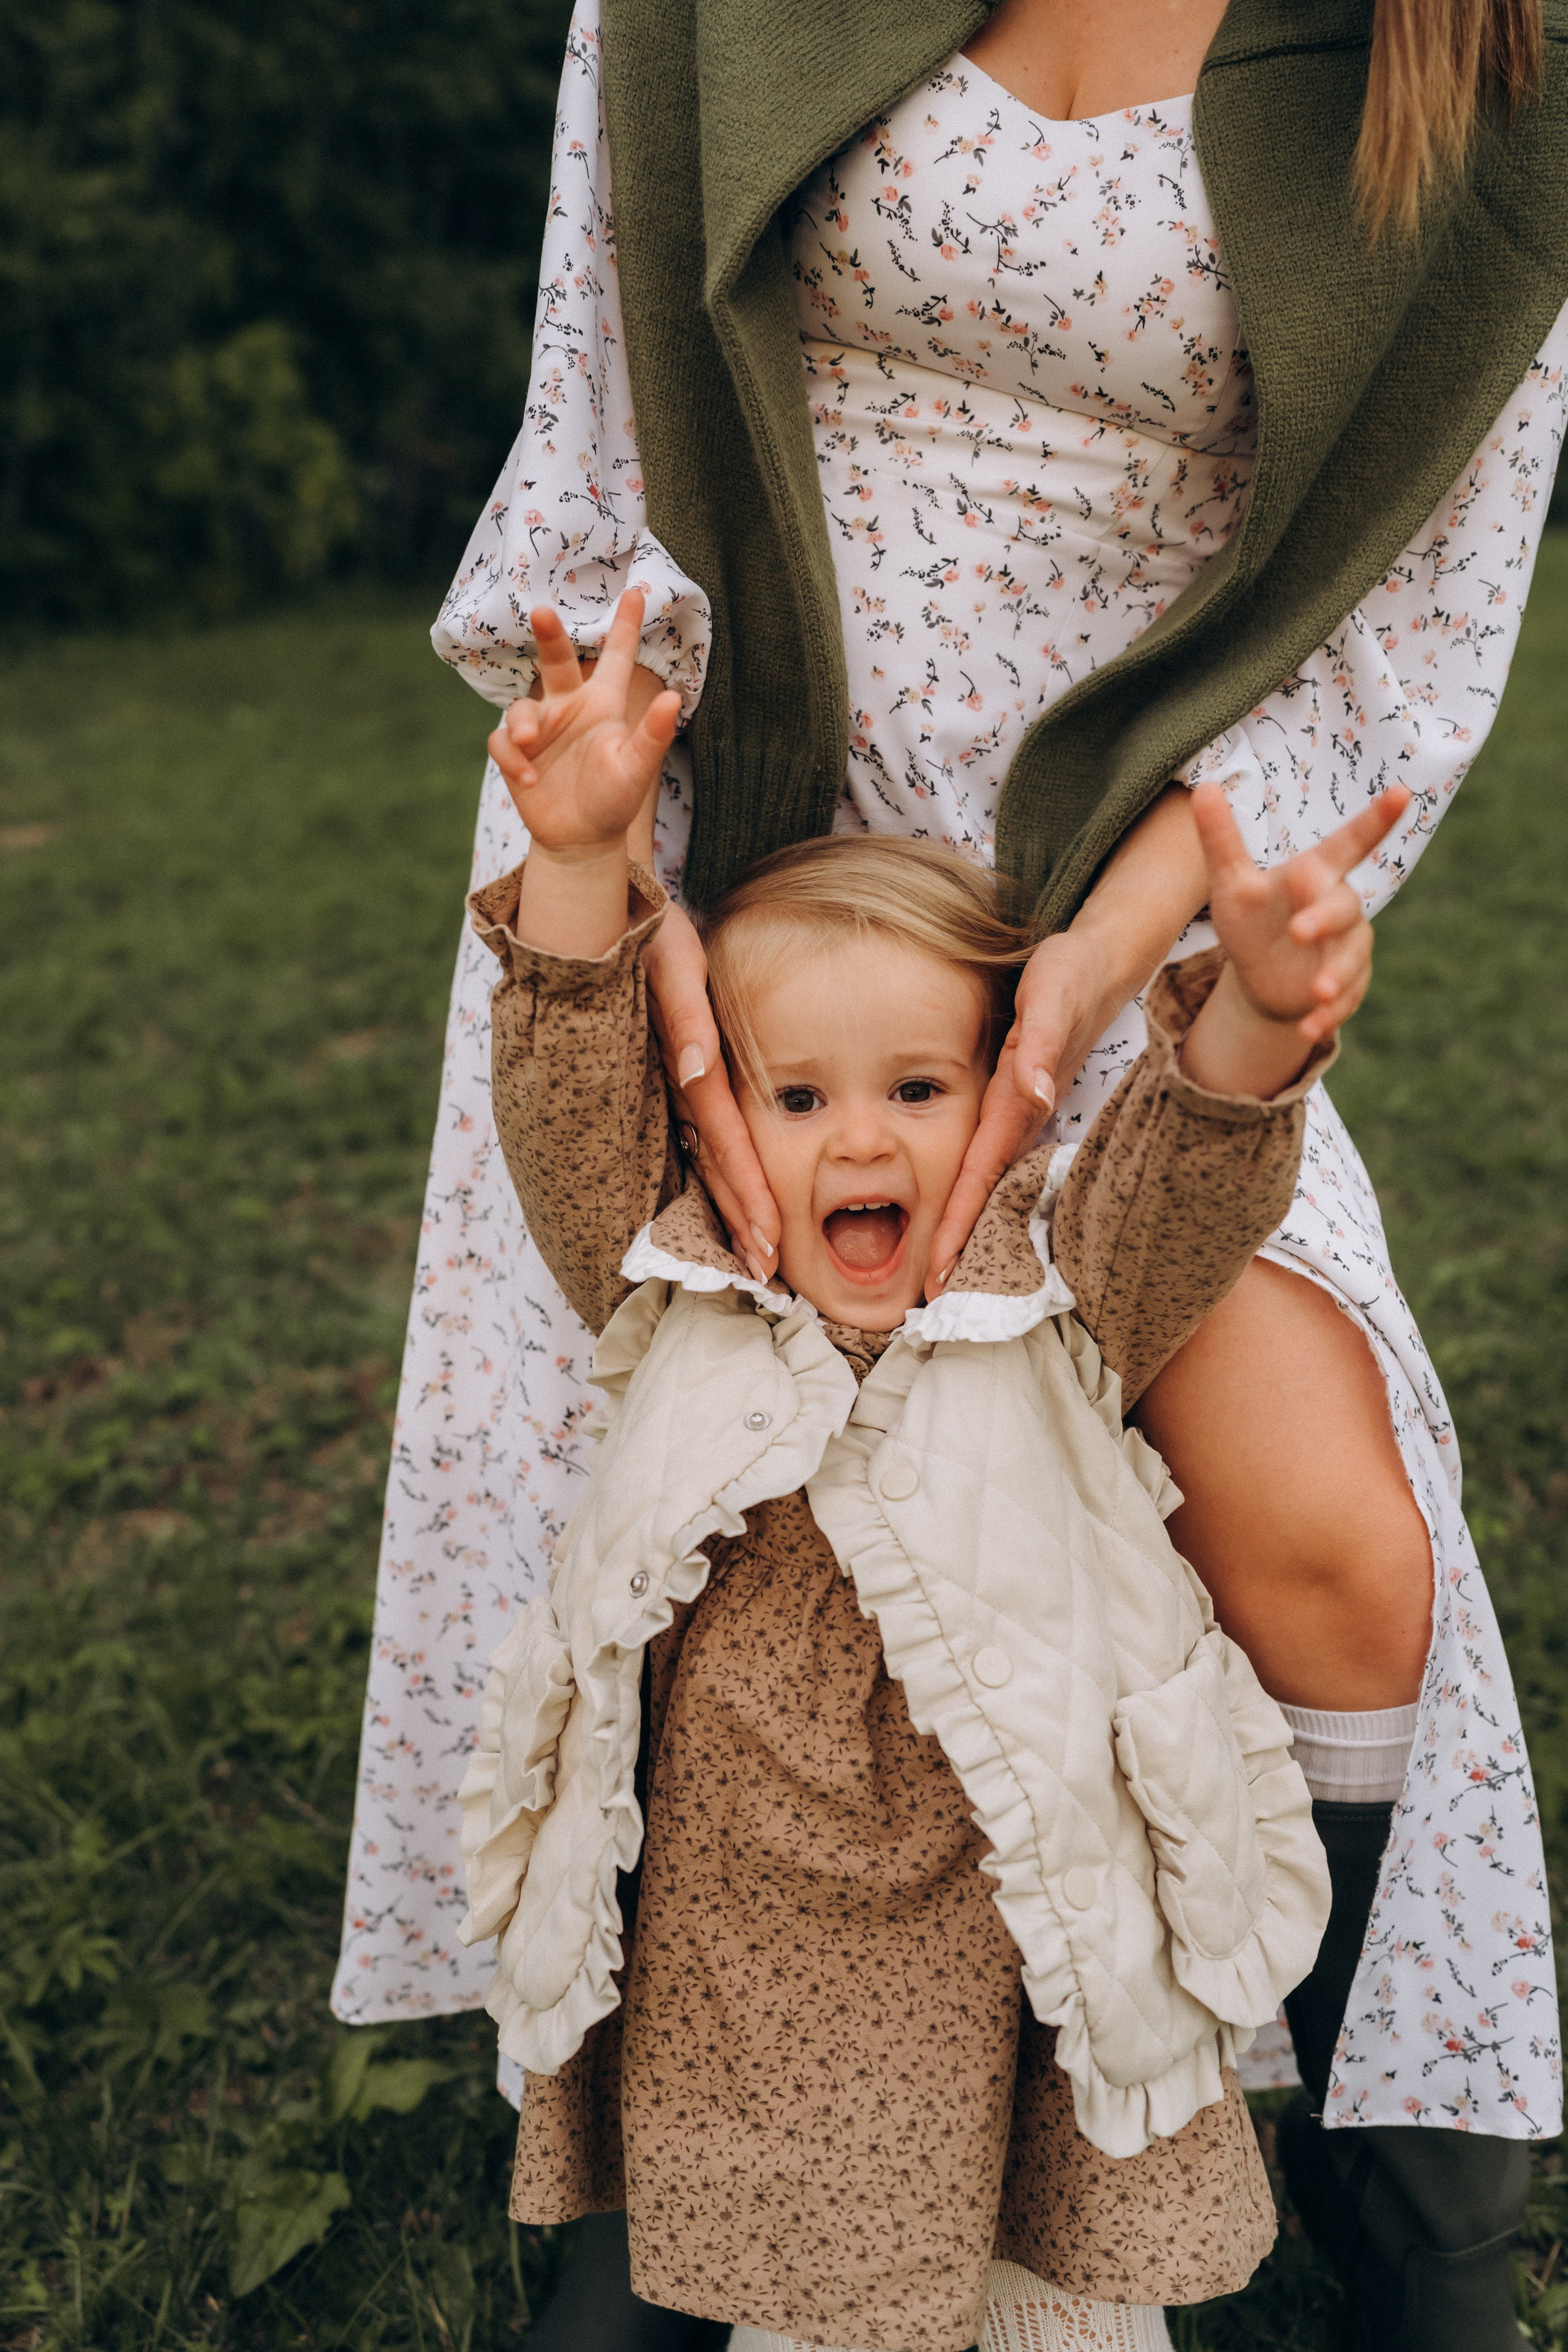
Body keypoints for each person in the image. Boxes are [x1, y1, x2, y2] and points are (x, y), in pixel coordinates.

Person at [333, 2, 1567, 2342]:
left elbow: (1404, 625)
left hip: (1127, 877)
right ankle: (666, 2199)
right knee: (710, 1522)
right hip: (730, 856)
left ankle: (1356, 2228)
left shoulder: (1478, 60)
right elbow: (600, 449)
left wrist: (1108, 970)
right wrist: (633, 894)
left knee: (1329, 1544)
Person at [454, 586, 1401, 2352]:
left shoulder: (1052, 1293)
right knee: (812, 2292)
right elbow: (571, 1092)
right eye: (798, 1100)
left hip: (1018, 1917)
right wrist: (578, 860)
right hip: (767, 1947)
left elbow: (1193, 1158)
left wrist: (1264, 1013)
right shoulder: (682, 1285)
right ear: (727, 1114)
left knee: (1054, 2301)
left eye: (915, 1086)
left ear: (1004, 1100)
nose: (861, 1136)